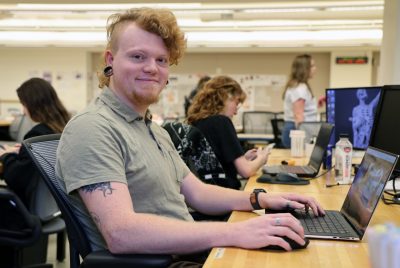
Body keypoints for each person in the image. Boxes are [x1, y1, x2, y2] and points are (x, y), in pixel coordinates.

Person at [55, 8, 325, 267]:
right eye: (138, 57)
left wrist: (259, 199)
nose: (152, 68)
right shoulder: (92, 129)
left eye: (161, 60)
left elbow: (197, 193)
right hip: (163, 262)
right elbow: (121, 233)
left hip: (188, 252)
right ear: (110, 60)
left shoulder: (152, 129)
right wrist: (233, 232)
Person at [186, 75, 269, 190]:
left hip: (206, 195)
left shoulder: (196, 122)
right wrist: (262, 157)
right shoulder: (221, 122)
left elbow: (213, 164)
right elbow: (246, 171)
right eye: (236, 102)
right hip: (225, 195)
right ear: (226, 97)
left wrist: (242, 158)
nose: (236, 110)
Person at [0, 77, 70, 206]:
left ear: (32, 105)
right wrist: (23, 151)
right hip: (59, 206)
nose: (23, 111)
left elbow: (16, 178)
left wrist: (5, 155)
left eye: (23, 105)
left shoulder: (38, 134)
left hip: (27, 212)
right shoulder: (65, 128)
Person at [282, 54, 318, 148]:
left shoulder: (298, 86)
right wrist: (304, 140)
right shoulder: (300, 88)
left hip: (295, 128)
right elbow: (298, 116)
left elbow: (302, 109)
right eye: (312, 66)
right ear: (304, 68)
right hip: (297, 130)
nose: (315, 68)